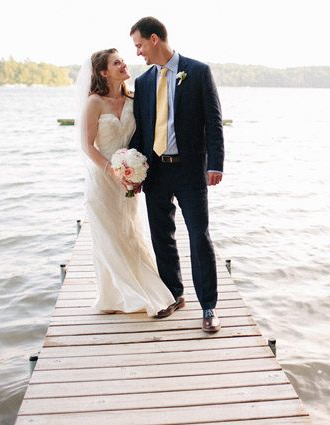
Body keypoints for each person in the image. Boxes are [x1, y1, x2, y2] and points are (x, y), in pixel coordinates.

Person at [129, 17, 225, 332]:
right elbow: (143, 130)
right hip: (156, 171)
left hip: (190, 170)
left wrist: (216, 164)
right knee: (162, 237)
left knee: (200, 236)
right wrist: (134, 168)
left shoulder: (198, 72)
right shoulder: (143, 83)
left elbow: (214, 121)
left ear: (154, 39)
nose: (139, 52)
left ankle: (208, 307)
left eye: (140, 45)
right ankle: (174, 294)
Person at [77, 48, 176, 316]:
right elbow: (87, 146)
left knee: (130, 234)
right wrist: (113, 171)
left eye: (122, 60)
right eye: (116, 62)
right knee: (110, 238)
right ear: (103, 72)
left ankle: (144, 290)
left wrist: (136, 171)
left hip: (129, 179)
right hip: (104, 180)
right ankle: (132, 297)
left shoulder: (134, 100)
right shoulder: (94, 102)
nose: (123, 64)